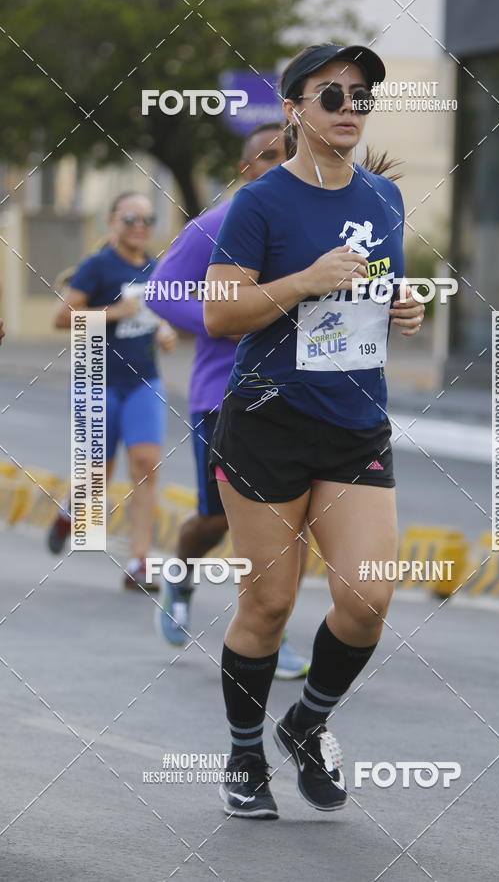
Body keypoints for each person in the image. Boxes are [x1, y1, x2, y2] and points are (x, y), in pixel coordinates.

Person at [204, 43, 424, 819]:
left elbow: (367, 302)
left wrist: (402, 310)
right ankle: (241, 755)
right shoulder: (260, 203)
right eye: (332, 95)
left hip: (355, 423)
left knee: (367, 598)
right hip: (268, 424)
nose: (349, 108)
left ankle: (306, 723)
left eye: (362, 96)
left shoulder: (385, 199)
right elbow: (220, 314)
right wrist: (302, 281)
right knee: (268, 605)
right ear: (294, 109)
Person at [146, 123, 310, 679]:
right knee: (217, 521)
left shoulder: (308, 231)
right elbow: (161, 291)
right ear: (245, 169)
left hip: (297, 398)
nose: (275, 165)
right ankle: (181, 575)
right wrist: (223, 326)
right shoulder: (214, 225)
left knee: (289, 525)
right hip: (222, 398)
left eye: (284, 156)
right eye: (264, 157)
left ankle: (270, 632)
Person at [48, 192, 178, 590]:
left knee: (146, 465)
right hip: (97, 379)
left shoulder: (157, 270)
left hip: (144, 380)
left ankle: (139, 563)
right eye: (129, 218)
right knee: (97, 475)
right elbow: (61, 318)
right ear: (112, 223)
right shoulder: (96, 266)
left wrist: (165, 330)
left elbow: (158, 315)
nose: (139, 226)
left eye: (146, 219)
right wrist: (112, 313)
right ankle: (73, 510)